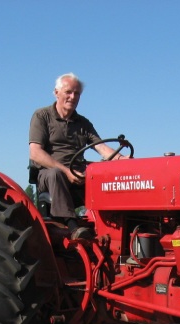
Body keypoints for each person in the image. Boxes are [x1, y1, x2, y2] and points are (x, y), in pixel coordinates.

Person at [29, 73, 127, 238]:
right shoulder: (42, 116)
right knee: (56, 174)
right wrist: (67, 171)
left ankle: (116, 226)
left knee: (105, 173)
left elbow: (101, 147)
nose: (72, 97)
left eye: (77, 94)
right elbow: (36, 153)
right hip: (49, 174)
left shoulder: (83, 123)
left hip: (77, 171)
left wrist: (124, 161)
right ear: (56, 92)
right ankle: (72, 226)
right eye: (68, 92)